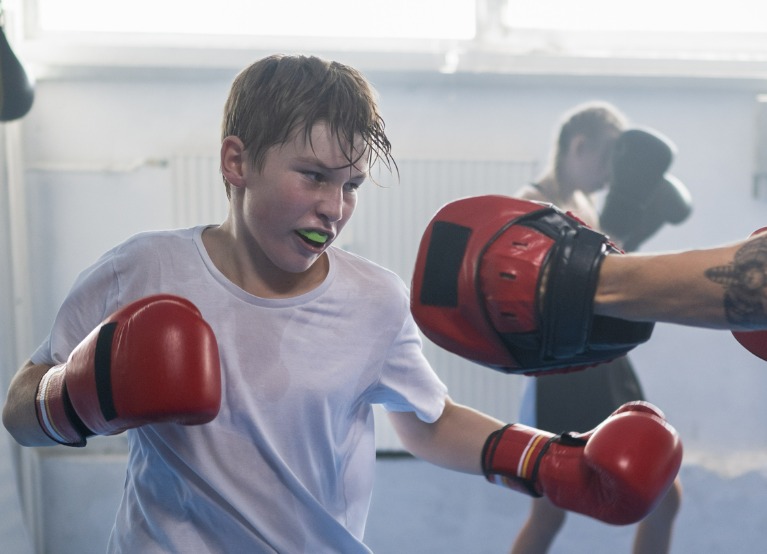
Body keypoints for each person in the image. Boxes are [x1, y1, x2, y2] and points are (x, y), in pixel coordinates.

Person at [0, 54, 758, 552]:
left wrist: (545, 461)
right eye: (312, 175)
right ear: (236, 161)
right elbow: (19, 410)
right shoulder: (143, 268)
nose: (333, 207)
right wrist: (73, 401)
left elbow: (424, 423)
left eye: (351, 185)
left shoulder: (370, 298)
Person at [509, 102, 685, 554]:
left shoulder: (584, 202)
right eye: (610, 159)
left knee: (662, 493)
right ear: (579, 145)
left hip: (600, 358)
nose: (612, 174)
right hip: (569, 369)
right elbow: (556, 292)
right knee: (554, 506)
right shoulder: (535, 202)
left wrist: (632, 230)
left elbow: (605, 278)